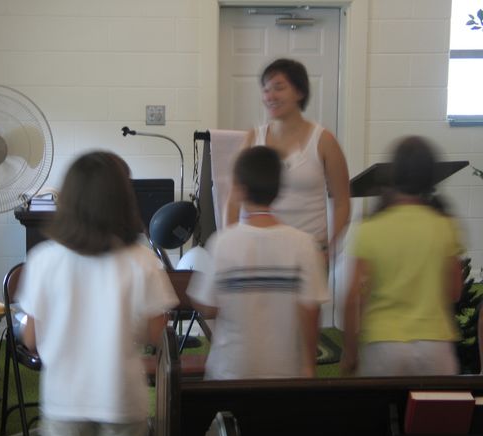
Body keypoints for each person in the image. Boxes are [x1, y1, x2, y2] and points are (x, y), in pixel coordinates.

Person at [18, 151, 178, 436]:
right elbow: (155, 334)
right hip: (121, 394)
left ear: (68, 200)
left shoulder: (43, 260)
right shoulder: (143, 261)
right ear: (123, 201)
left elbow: (31, 339)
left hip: (64, 397)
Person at [188, 146, 328, 380]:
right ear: (279, 188)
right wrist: (308, 366)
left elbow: (207, 306)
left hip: (229, 372)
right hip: (284, 373)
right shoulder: (304, 244)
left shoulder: (223, 243)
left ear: (239, 189)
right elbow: (311, 312)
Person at [341, 136, 463, 377]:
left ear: (394, 175)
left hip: (383, 344)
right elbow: (454, 292)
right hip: (434, 344)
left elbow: (353, 299)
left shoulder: (371, 228)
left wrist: (350, 352)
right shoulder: (445, 226)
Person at [224, 58, 350, 258]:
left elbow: (342, 202)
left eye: (279, 88)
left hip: (309, 252)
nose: (270, 96)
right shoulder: (253, 138)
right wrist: (230, 245)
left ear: (299, 92)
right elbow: (233, 199)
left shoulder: (324, 140)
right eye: (265, 90)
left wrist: (329, 249)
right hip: (257, 252)